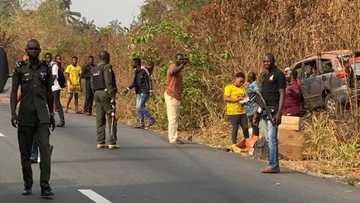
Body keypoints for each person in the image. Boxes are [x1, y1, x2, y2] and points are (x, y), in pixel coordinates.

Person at [10, 39, 55, 197]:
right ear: (26, 50)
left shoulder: (45, 68)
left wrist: (51, 114)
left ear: (40, 50)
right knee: (25, 153)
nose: (34, 51)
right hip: (25, 116)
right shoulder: (20, 69)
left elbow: (49, 93)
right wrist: (13, 112)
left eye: (36, 48)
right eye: (31, 48)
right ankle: (28, 184)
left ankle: (45, 186)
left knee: (45, 150)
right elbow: (14, 91)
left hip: (42, 116)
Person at [258, 53, 286, 173]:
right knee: (269, 139)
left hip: (274, 111)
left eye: (268, 61)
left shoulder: (278, 74)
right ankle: (273, 163)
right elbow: (262, 97)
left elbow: (282, 94)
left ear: (273, 61)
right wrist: (257, 113)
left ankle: (273, 165)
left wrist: (279, 113)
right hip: (264, 110)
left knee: (272, 138)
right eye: (264, 61)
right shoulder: (265, 75)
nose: (266, 63)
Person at [92, 51, 119, 149]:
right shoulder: (107, 67)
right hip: (105, 93)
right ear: (107, 57)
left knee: (100, 118)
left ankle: (100, 141)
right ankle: (112, 142)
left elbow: (92, 83)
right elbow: (108, 82)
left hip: (96, 94)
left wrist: (95, 96)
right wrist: (112, 96)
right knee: (111, 116)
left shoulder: (94, 68)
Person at [124, 58, 156, 128]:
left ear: (137, 63)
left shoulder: (144, 70)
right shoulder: (136, 71)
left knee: (140, 106)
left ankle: (151, 118)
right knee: (138, 108)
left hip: (145, 91)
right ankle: (141, 123)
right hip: (138, 92)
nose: (131, 64)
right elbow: (135, 83)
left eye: (133, 63)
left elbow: (149, 80)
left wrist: (151, 90)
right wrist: (128, 89)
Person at [164, 53, 188, 144]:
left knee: (175, 118)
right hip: (171, 95)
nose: (181, 61)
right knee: (172, 118)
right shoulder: (172, 66)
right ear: (176, 60)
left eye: (182, 59)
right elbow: (173, 72)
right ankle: (172, 138)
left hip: (176, 96)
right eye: (180, 59)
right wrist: (183, 65)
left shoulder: (179, 69)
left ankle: (174, 136)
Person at [224, 72, 250, 151]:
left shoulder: (242, 88)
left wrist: (245, 100)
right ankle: (234, 145)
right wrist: (236, 99)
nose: (241, 83)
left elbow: (245, 97)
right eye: (240, 81)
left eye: (243, 81)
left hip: (242, 111)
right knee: (235, 127)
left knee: (245, 127)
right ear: (236, 79)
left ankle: (248, 144)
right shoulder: (229, 87)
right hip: (233, 112)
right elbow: (225, 98)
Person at [245, 72, 260, 149]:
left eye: (249, 77)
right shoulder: (250, 85)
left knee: (255, 127)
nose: (247, 78)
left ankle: (255, 145)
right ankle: (253, 144)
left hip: (254, 109)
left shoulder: (254, 85)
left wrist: (256, 112)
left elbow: (258, 94)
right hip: (249, 109)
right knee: (253, 126)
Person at [52, 54, 65, 127]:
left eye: (60, 59)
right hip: (54, 87)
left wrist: (49, 84)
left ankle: (62, 121)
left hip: (55, 87)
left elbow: (54, 76)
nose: (59, 60)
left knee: (57, 104)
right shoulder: (56, 66)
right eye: (57, 59)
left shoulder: (55, 66)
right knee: (53, 104)